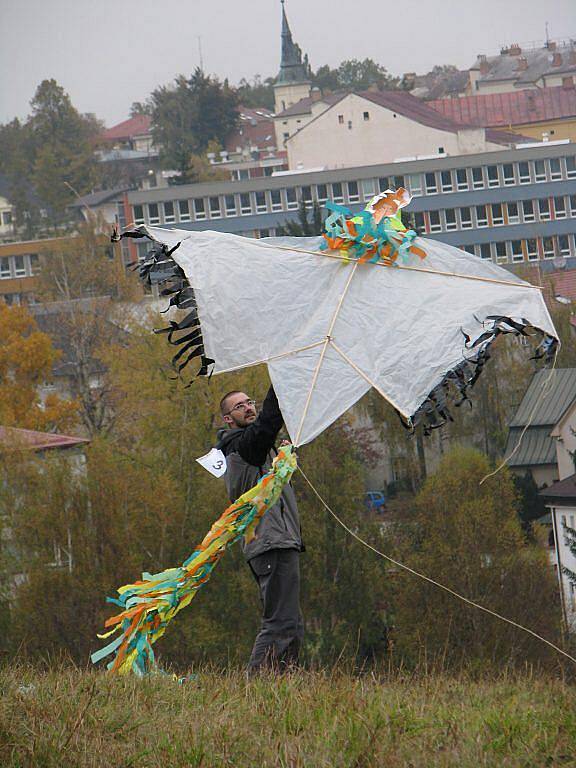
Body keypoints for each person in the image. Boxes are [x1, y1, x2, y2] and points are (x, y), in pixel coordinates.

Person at [217, 385, 304, 673]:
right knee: (278, 622)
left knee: (290, 622)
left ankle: (286, 681)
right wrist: (279, 377)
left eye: (250, 402)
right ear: (228, 419)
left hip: (282, 543)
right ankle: (256, 684)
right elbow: (269, 422)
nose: (249, 408)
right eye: (240, 406)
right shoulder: (240, 448)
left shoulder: (262, 451)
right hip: (270, 545)